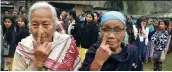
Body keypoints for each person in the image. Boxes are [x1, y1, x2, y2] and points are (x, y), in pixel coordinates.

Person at [12, 2, 81, 71]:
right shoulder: (24, 47)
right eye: (35, 24)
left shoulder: (66, 43)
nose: (40, 31)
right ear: (29, 26)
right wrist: (37, 63)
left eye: (46, 24)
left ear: (54, 25)